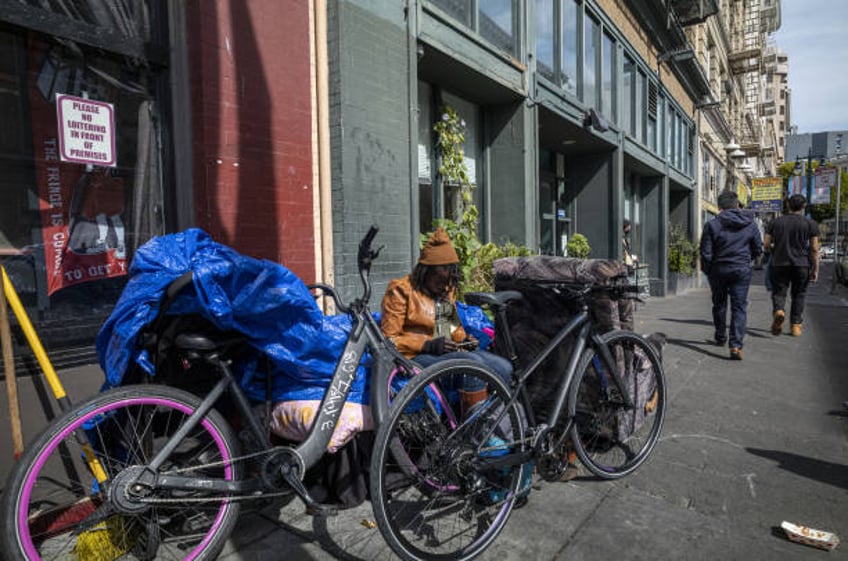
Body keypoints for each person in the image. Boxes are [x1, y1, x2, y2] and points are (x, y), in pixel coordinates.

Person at [380, 227, 513, 414]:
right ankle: (474, 433)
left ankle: (485, 421)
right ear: (425, 272)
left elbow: (450, 328)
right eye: (440, 281)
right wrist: (428, 345)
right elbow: (390, 341)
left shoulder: (444, 290)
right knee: (471, 364)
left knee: (503, 368)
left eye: (448, 282)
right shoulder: (401, 291)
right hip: (413, 357)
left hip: (441, 353)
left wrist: (464, 340)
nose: (445, 286)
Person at [699, 190, 763, 360]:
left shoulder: (712, 225)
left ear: (719, 207)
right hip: (741, 269)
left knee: (719, 304)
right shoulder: (750, 224)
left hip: (718, 270)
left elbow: (705, 252)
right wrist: (747, 260)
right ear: (737, 205)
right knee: (739, 307)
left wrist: (708, 271)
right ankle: (735, 346)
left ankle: (720, 336)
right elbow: (758, 248)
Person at [763, 194, 820, 337]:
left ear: (788, 205)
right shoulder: (810, 224)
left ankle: (779, 311)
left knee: (779, 292)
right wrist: (815, 268)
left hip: (779, 264)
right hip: (802, 265)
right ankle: (795, 326)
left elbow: (766, 244)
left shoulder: (775, 222)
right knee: (799, 295)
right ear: (804, 206)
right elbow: (814, 249)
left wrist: (773, 251)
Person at [619, 219, 637, 330]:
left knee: (629, 288)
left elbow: (627, 253)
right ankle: (626, 309)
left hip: (629, 267)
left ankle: (628, 307)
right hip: (626, 267)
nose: (629, 229)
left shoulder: (625, 239)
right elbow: (625, 254)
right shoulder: (622, 239)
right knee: (627, 290)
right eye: (628, 227)